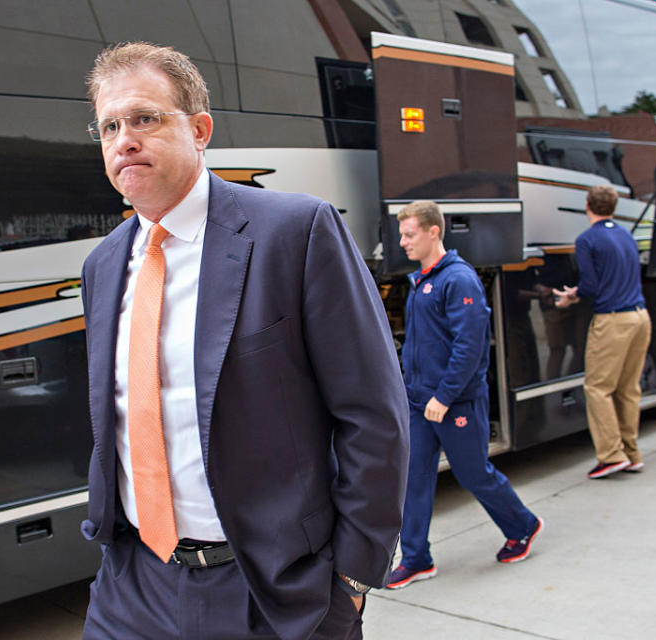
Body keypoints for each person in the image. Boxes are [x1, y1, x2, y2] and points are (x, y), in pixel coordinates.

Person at [78, 42, 409, 640]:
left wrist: (352, 582)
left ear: (200, 129)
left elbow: (373, 415)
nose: (125, 139)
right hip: (131, 587)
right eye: (110, 125)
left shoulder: (296, 232)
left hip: (271, 593)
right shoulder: (102, 267)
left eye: (145, 119)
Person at [387, 201, 542, 590]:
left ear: (433, 231)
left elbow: (470, 346)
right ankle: (416, 559)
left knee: (474, 475)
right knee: (414, 480)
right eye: (402, 234)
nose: (402, 242)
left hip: (453, 403)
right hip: (421, 402)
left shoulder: (459, 279)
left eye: (409, 234)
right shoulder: (421, 280)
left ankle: (523, 525)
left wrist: (444, 395)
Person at [553, 185, 651, 478]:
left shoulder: (587, 240)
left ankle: (610, 455)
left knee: (597, 387)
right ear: (614, 206)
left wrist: (572, 295)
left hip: (613, 321)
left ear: (587, 205)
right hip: (640, 317)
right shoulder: (625, 234)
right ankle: (632, 453)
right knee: (628, 389)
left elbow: (592, 286)